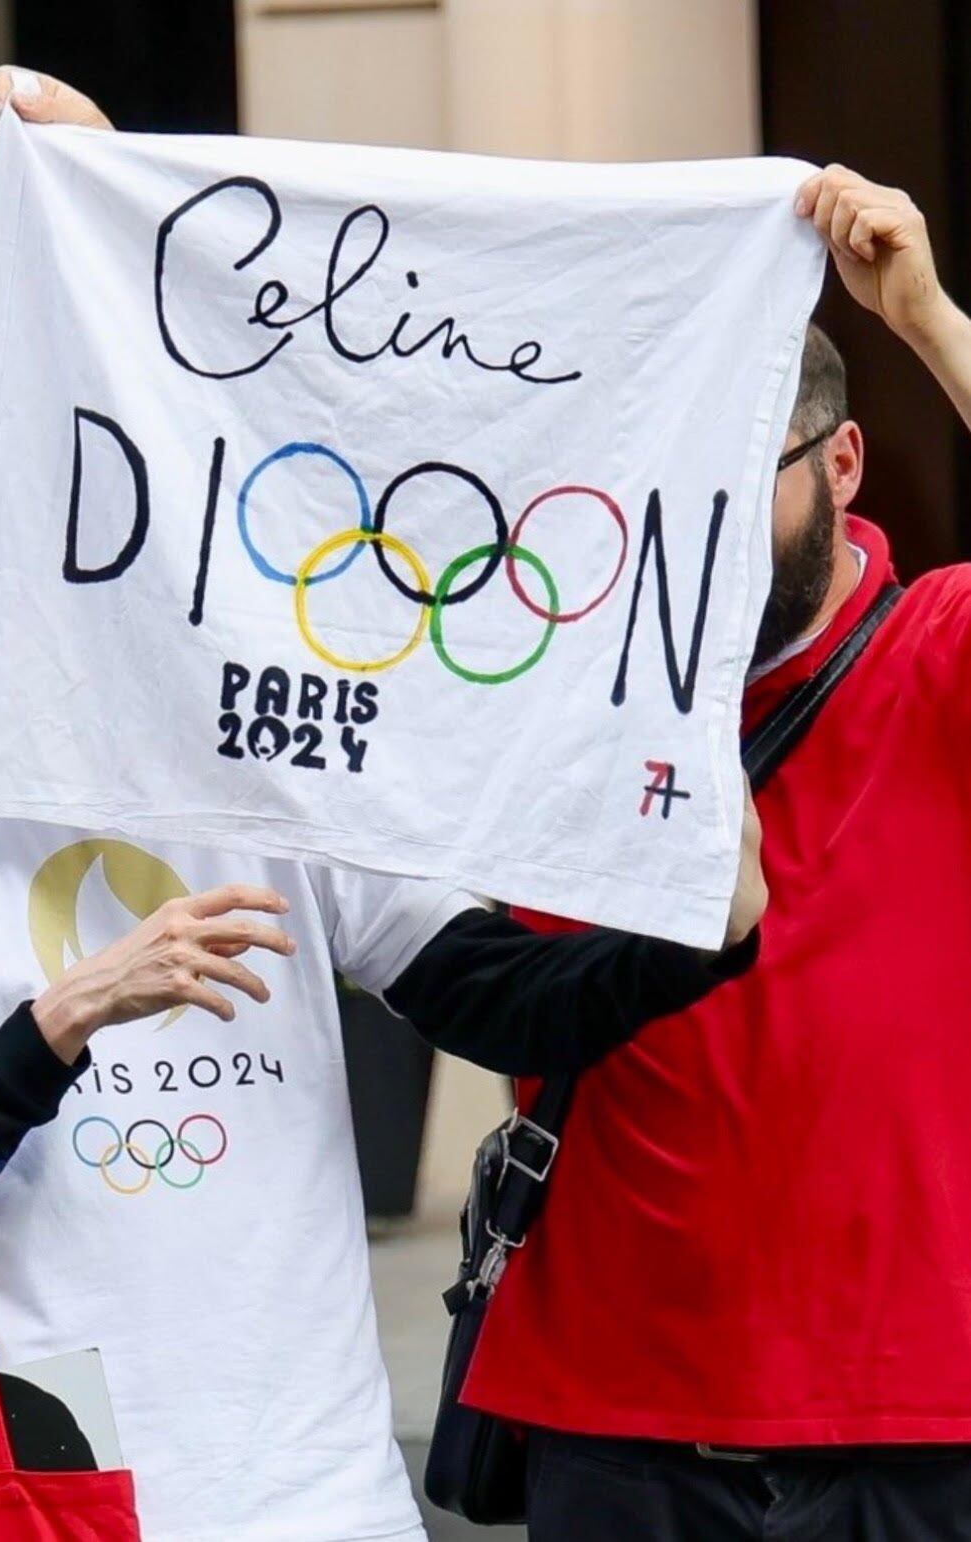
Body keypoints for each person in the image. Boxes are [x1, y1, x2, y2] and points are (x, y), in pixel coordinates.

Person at [0, 69, 767, 1542]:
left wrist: (695, 929)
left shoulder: (265, 754)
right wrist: (64, 1017)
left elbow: (497, 1000)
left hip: (310, 1490)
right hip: (29, 1487)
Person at [452, 167, 971, 1542]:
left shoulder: (938, 649)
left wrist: (925, 319)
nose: (692, 535)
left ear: (841, 461)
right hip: (613, 1417)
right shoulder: (539, 682)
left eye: (736, 479)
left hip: (911, 1415)